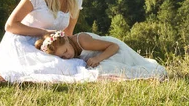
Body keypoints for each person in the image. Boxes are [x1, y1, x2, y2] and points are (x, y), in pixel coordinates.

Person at [35, 31, 167, 81]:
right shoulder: (70, 51)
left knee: (102, 69)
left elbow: (113, 47)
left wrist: (98, 59)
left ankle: (151, 73)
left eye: (65, 51)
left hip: (113, 51)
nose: (67, 56)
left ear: (67, 40)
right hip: (104, 54)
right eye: (62, 57)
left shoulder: (82, 41)